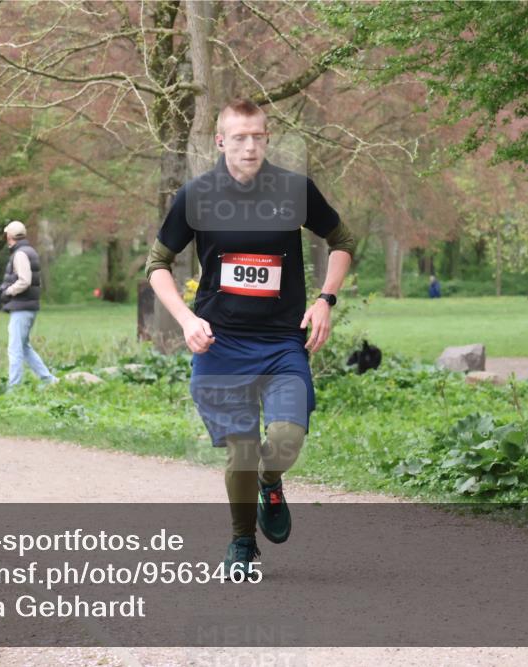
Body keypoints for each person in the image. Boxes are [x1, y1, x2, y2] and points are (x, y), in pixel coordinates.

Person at [145, 98, 354, 575]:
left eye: (258, 136)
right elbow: (158, 264)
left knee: (285, 438)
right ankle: (242, 542)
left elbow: (341, 241)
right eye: (239, 137)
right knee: (240, 450)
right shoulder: (197, 195)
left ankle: (270, 481)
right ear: (221, 141)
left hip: (281, 342)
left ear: (268, 139)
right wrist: (186, 320)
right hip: (221, 344)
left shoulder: (294, 190)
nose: (249, 146)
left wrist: (326, 299)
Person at [0, 220, 58, 389]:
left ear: (10, 236)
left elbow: (24, 281)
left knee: (15, 349)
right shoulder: (29, 251)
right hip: (28, 307)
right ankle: (49, 380)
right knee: (24, 347)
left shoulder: (20, 254)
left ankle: (14, 387)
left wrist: (8, 291)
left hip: (21, 307)